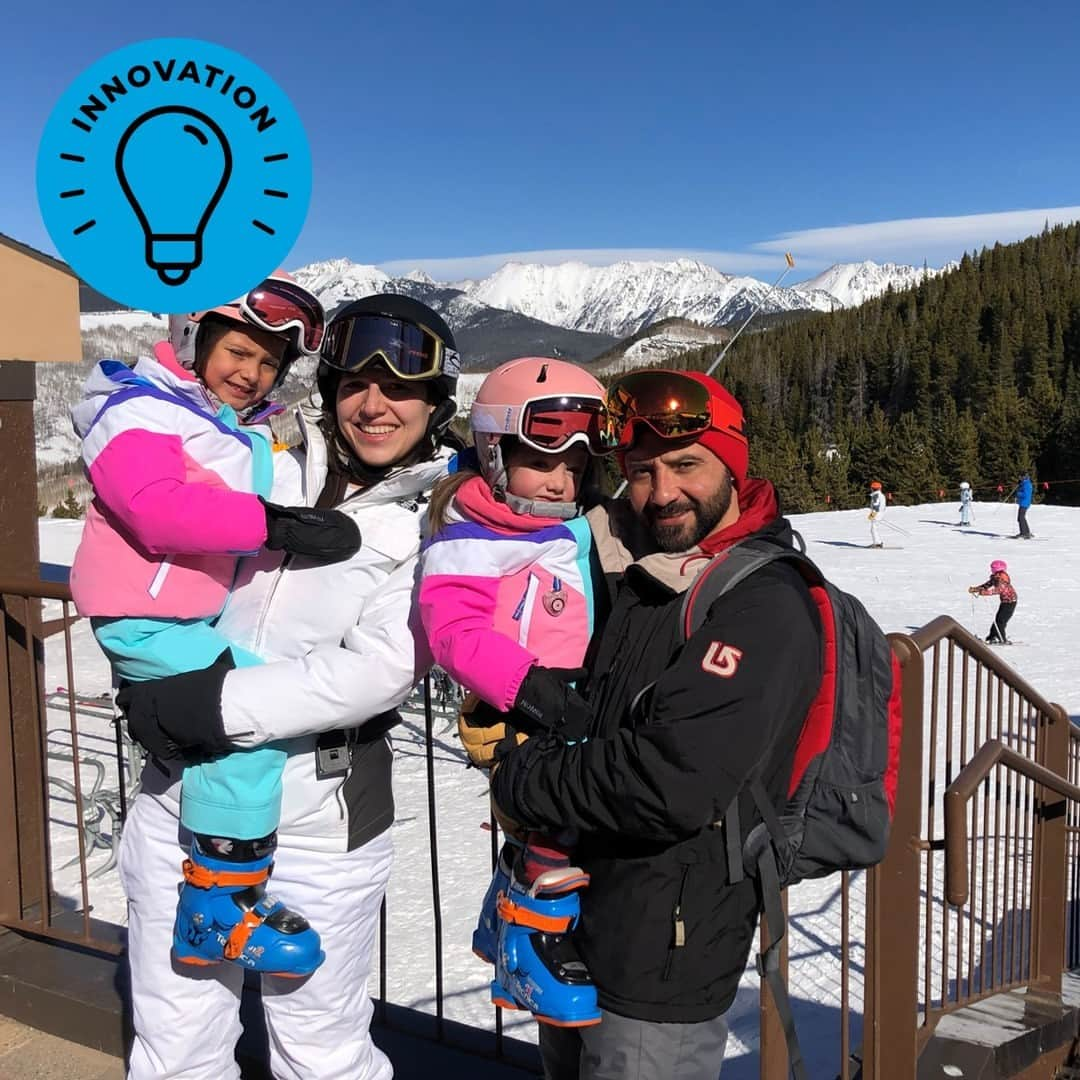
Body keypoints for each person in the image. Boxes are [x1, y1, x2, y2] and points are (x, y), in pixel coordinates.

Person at [114, 293, 461, 1080]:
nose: (374, 406)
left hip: (323, 822)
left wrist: (211, 707)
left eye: (401, 388)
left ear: (435, 403)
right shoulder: (255, 460)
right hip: (182, 801)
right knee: (175, 1041)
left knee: (322, 1048)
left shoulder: (439, 519)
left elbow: (380, 668)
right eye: (353, 384)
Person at [478, 368, 823, 1080]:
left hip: (664, 952)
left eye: (687, 465)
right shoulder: (645, 566)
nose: (663, 493)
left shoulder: (760, 600)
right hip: (575, 922)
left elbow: (673, 779)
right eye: (641, 472)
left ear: (733, 462)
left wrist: (521, 780)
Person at [70, 273, 360, 977]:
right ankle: (216, 905)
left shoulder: (234, 429)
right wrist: (269, 524)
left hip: (178, 617)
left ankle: (228, 894)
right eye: (237, 351)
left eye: (267, 363)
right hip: (145, 619)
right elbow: (155, 506)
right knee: (250, 717)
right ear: (195, 340)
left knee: (241, 714)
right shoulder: (137, 411)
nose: (251, 373)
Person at [420, 357, 616, 1027]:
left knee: (548, 827)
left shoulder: (561, 525)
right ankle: (532, 950)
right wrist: (530, 687)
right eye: (544, 460)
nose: (562, 479)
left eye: (576, 466)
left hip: (563, 704)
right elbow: (451, 631)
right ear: (496, 457)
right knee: (562, 827)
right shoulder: (474, 536)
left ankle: (503, 916)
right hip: (520, 711)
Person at [969, 559, 1018, 643]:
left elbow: (998, 590)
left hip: (1010, 602)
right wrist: (976, 589)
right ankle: (991, 637)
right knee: (998, 620)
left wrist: (985, 593)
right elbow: (987, 585)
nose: (991, 570)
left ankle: (1001, 638)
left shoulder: (1002, 578)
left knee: (1001, 621)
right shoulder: (996, 576)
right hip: (1005, 602)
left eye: (992, 568)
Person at [868, 479, 886, 547]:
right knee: (874, 528)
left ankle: (877, 543)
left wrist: (872, 515)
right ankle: (878, 542)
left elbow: (876, 506)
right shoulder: (881, 495)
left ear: (873, 488)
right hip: (880, 513)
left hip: (876, 514)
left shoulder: (876, 496)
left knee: (873, 529)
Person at [1016, 472, 1034, 538]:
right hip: (1024, 503)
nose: (1019, 478)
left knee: (1021, 518)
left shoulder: (1026, 484)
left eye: (1020, 477)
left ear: (1024, 477)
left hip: (1024, 503)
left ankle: (1023, 533)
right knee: (1021, 517)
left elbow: (1025, 494)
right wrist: (1020, 485)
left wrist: (1018, 494)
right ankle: (1026, 532)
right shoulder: (1025, 483)